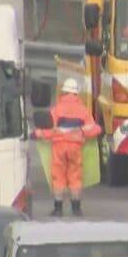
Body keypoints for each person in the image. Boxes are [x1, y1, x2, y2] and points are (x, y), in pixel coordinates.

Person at [35, 78, 101, 216]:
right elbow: (95, 129)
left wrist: (37, 133)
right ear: (76, 94)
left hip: (58, 147)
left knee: (58, 176)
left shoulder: (56, 110)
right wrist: (82, 131)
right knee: (75, 176)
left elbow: (49, 130)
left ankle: (58, 209)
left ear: (63, 92)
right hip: (75, 147)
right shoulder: (83, 111)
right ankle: (76, 208)